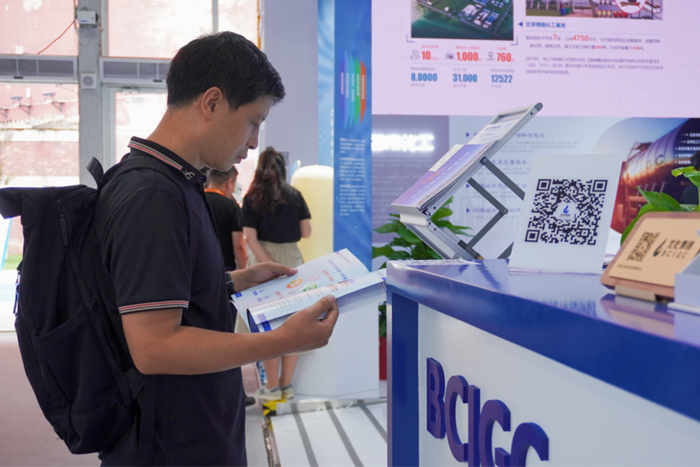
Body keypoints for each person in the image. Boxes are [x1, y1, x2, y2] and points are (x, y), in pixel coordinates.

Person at [92, 31, 338, 467]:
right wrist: (282, 341)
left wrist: (234, 280)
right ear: (211, 103)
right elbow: (154, 346)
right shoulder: (152, 194)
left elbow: (166, 290)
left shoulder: (176, 182)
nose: (254, 141)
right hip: (172, 445)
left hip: (196, 428)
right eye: (253, 121)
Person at [242, 147, 312, 401]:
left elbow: (250, 238)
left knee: (268, 326)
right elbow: (306, 232)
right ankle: (286, 385)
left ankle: (271, 387)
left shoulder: (251, 198)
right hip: (292, 260)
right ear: (283, 170)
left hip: (262, 260)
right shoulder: (295, 195)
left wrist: (268, 264)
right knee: (294, 323)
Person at [204, 166, 248, 271]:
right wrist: (245, 271)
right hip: (223, 267)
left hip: (197, 267)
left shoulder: (195, 200)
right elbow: (239, 245)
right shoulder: (231, 206)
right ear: (229, 183)